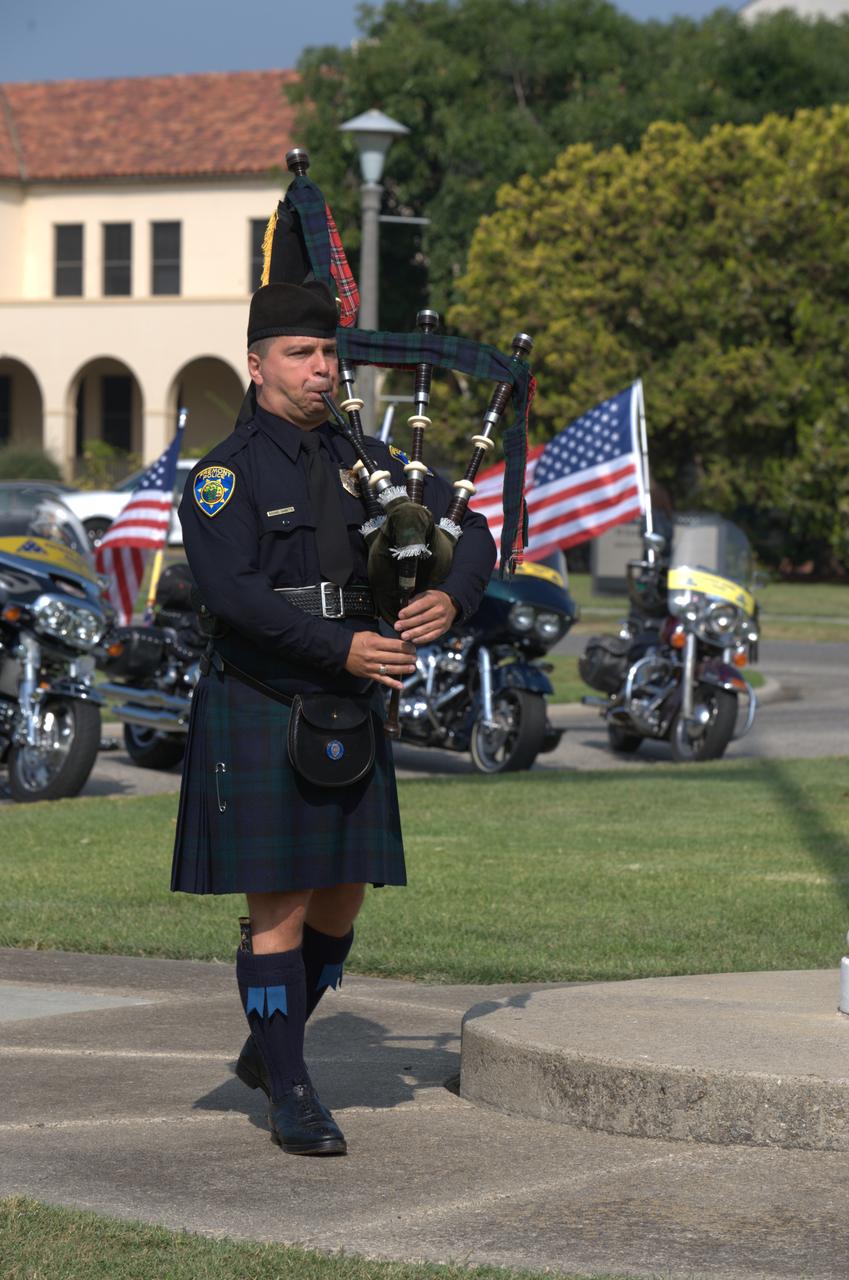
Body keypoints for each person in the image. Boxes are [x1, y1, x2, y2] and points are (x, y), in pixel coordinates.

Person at [171, 278, 496, 1157]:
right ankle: (293, 1091)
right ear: (257, 363)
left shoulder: (375, 462)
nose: (319, 371)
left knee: (342, 904)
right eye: (299, 355)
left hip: (348, 707)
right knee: (278, 908)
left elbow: (473, 536)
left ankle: (267, 1048)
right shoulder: (222, 474)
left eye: (327, 355)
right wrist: (340, 648)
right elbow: (233, 596)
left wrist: (452, 602)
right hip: (263, 695)